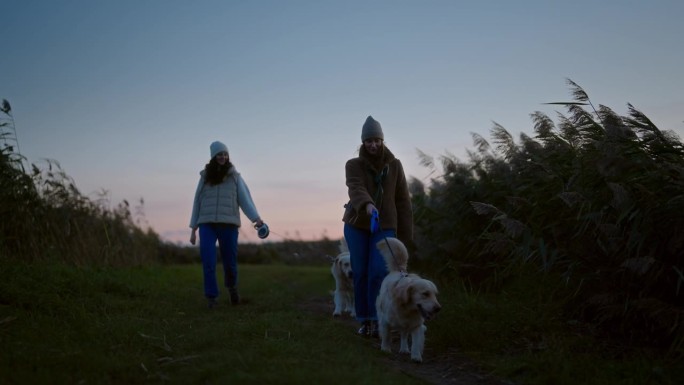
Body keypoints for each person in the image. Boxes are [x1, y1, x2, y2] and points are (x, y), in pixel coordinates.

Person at [342, 115, 413, 337]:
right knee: (361, 272)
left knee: (378, 273)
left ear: (382, 141)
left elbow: (403, 200)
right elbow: (355, 188)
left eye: (376, 140)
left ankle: (378, 317)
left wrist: (405, 236)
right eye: (368, 141)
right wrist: (368, 206)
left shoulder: (395, 165)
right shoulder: (353, 165)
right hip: (357, 224)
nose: (372, 145)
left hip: (386, 226)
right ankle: (365, 320)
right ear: (363, 142)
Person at [189, 140, 265, 308]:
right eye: (219, 154)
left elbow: (245, 200)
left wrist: (256, 220)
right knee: (208, 260)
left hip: (228, 224)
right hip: (206, 224)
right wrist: (193, 228)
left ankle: (232, 288)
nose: (222, 157)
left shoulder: (235, 177)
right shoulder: (205, 177)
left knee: (229, 262)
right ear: (213, 157)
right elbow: (197, 202)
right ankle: (212, 298)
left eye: (225, 154)